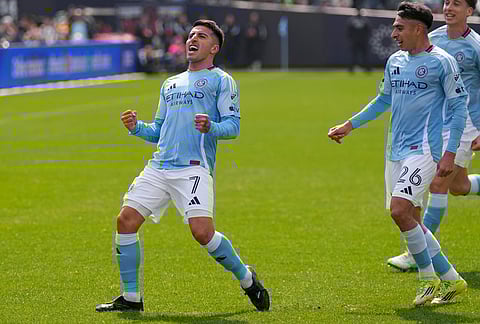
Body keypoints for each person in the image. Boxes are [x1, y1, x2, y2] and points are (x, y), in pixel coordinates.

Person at [95, 19, 270, 312]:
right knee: (125, 221)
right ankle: (131, 297)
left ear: (214, 48)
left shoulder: (221, 80)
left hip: (193, 167)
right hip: (160, 166)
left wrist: (211, 126)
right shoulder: (170, 83)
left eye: (201, 36)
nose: (193, 39)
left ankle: (247, 278)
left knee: (202, 232)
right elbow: (159, 131)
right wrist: (137, 127)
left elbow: (233, 126)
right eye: (191, 35)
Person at [328, 2, 468, 306]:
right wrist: (350, 125)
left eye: (399, 27)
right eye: (393, 27)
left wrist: (449, 153)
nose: (393, 33)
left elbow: (458, 109)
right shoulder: (395, 61)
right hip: (396, 149)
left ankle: (427, 280)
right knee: (412, 218)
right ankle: (453, 281)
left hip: (427, 149)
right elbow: (382, 100)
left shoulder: (442, 62)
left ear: (418, 29)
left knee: (399, 210)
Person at [387, 0, 480, 289]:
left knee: (438, 185)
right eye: (446, 1)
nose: (449, 7)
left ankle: (419, 256)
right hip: (437, 123)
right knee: (458, 187)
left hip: (467, 122)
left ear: (470, 11)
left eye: (457, 3)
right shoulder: (433, 38)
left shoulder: (476, 46)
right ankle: (429, 259)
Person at [346, 7, 372, 72]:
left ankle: (366, 68)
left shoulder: (361, 20)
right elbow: (349, 30)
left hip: (360, 40)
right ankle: (352, 68)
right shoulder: (355, 20)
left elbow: (368, 30)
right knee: (355, 55)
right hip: (358, 40)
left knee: (362, 55)